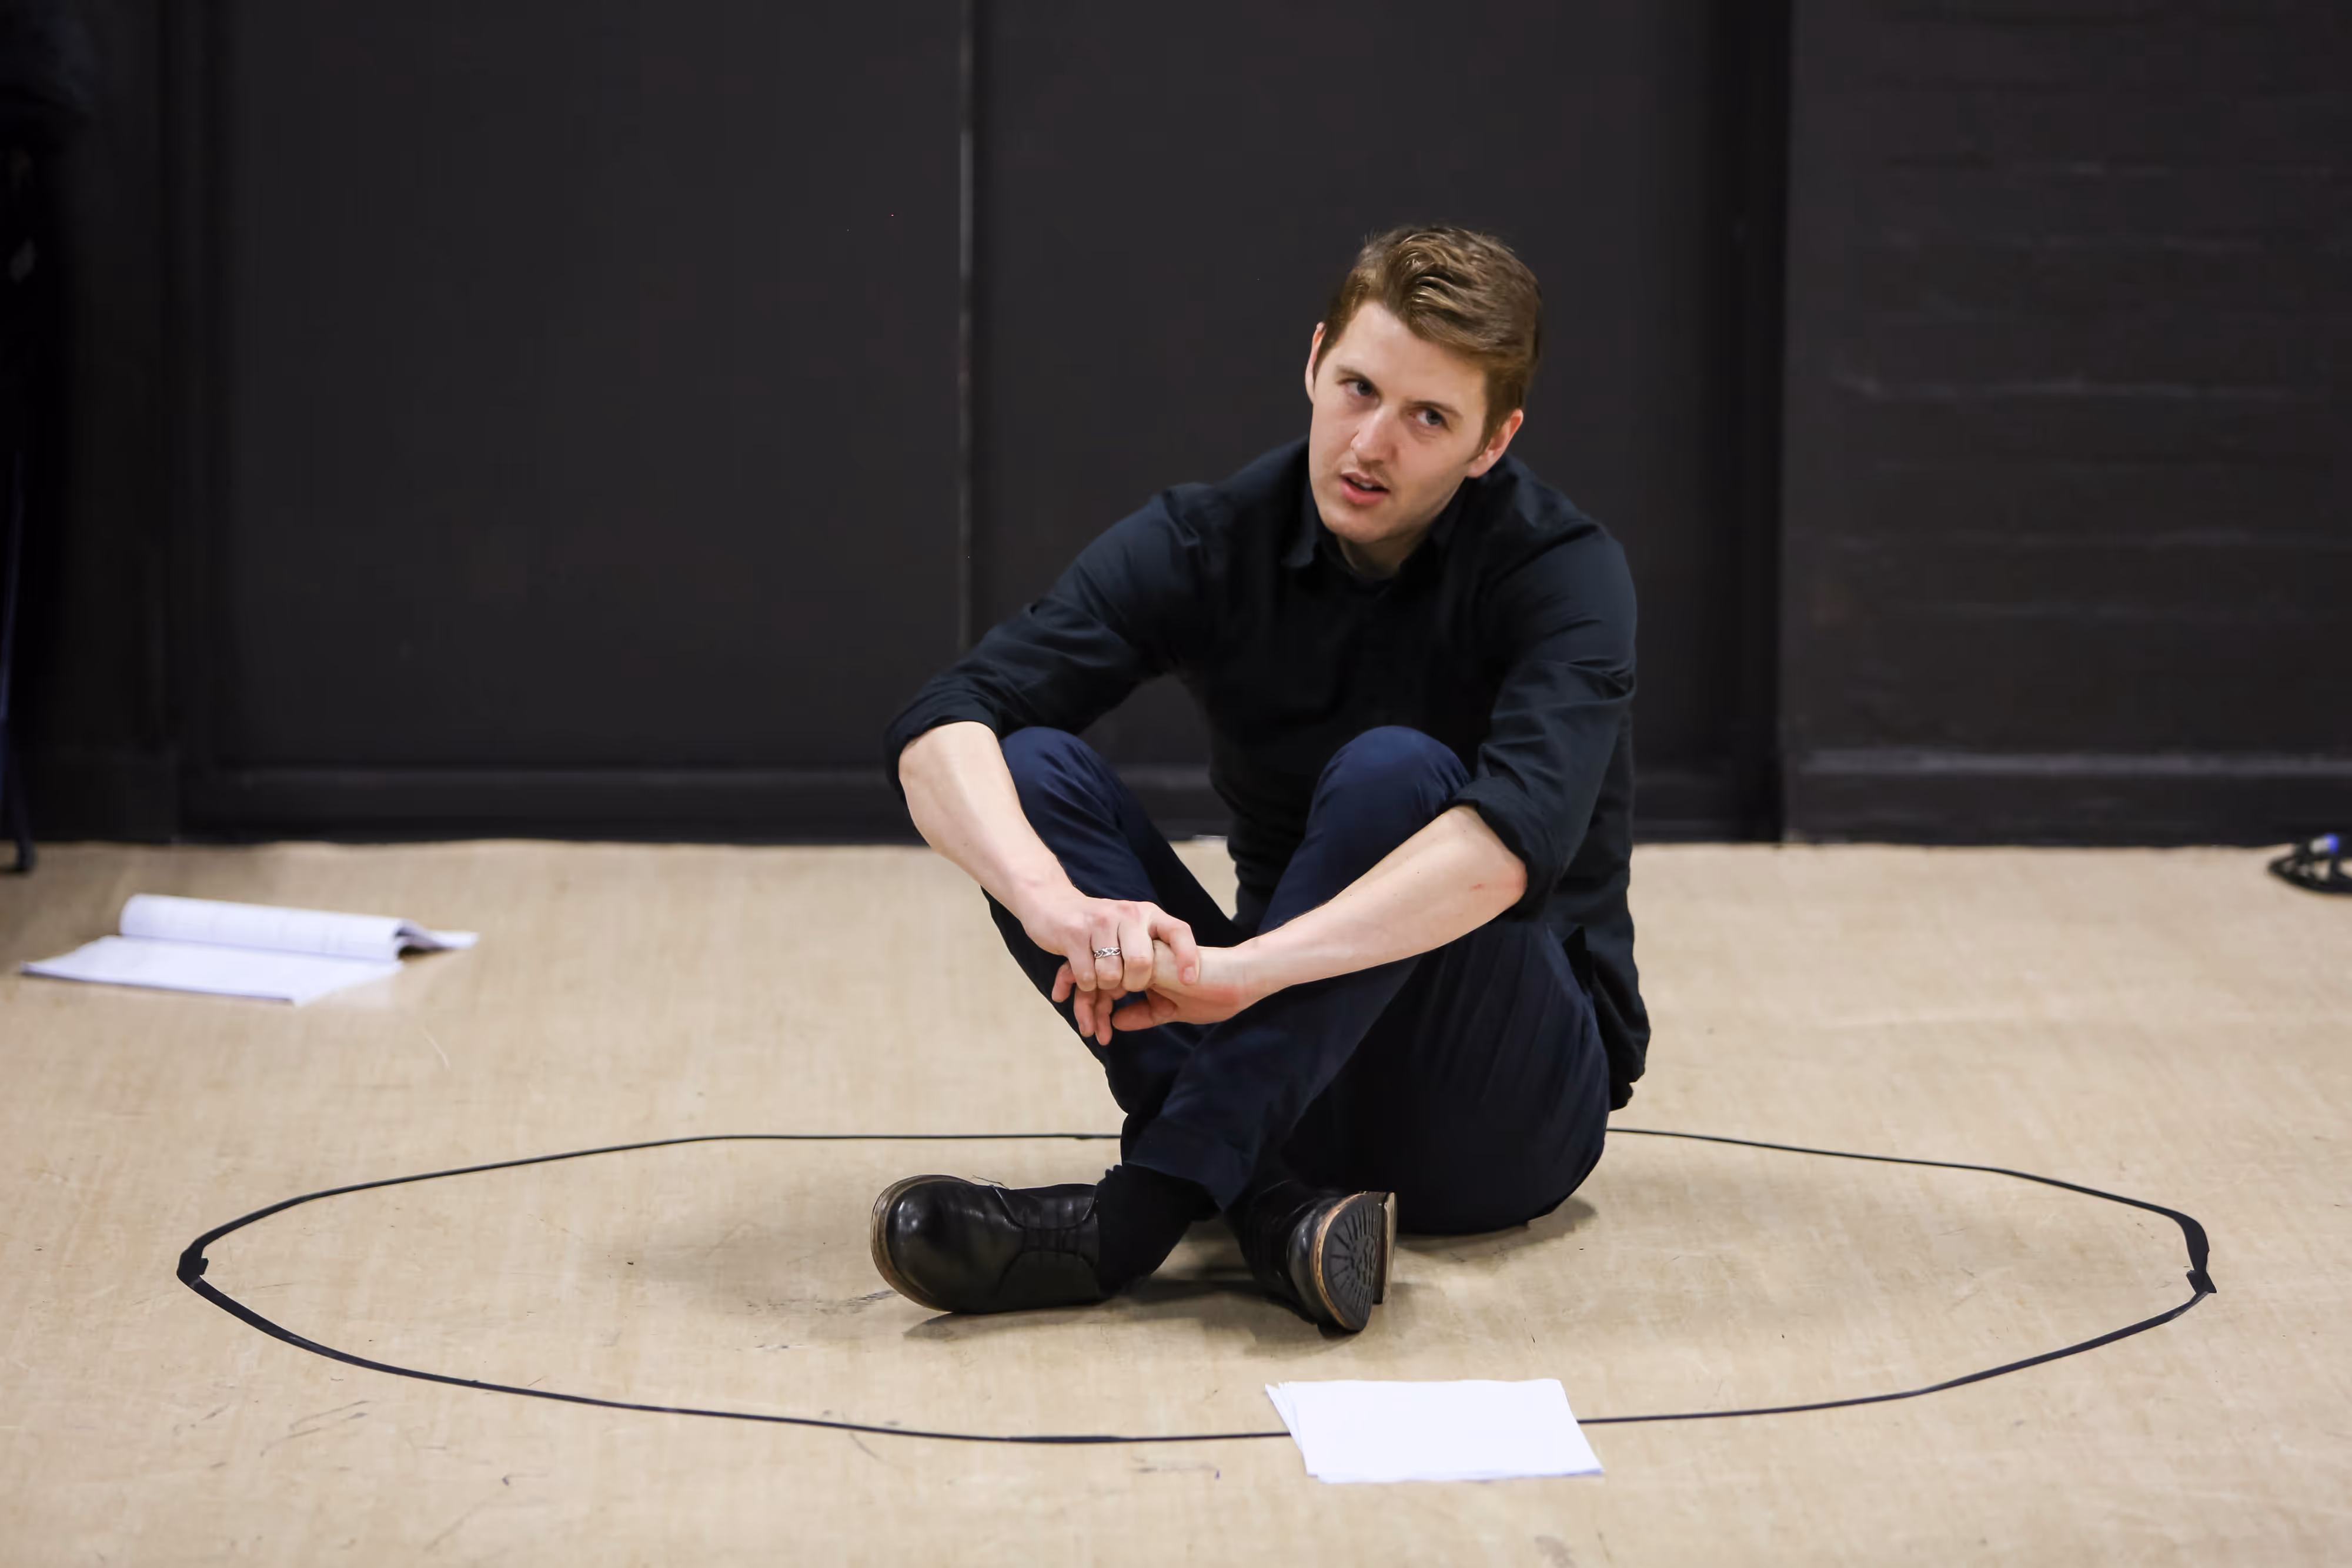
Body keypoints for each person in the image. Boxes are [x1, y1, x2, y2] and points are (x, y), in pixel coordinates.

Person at [874, 225, 1646, 1333]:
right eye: (1359, 388)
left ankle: (1131, 1222)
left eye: (1429, 418)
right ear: (1316, 359)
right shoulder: (1211, 537)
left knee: (1400, 774)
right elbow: (939, 726)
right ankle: (1275, 1205)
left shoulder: (1567, 573)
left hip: (1495, 1107)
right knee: (1030, 771)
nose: (1371, 443)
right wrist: (1060, 910)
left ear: (1493, 442)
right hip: (1280, 1070)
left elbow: (1503, 853)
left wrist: (1253, 973)